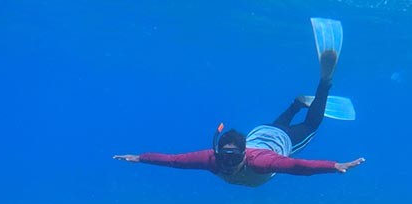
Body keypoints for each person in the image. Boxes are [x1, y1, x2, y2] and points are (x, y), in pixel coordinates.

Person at [114, 18, 365, 187]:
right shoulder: (211, 160)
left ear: (244, 155)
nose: (228, 165)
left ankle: (324, 82)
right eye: (225, 158)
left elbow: (298, 166)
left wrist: (335, 166)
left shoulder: (263, 162)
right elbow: (174, 161)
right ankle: (297, 103)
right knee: (278, 126)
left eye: (233, 159)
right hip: (264, 132)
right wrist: (140, 157)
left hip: (277, 141)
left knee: (310, 126)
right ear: (218, 153)